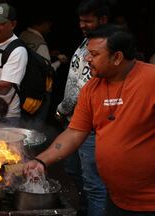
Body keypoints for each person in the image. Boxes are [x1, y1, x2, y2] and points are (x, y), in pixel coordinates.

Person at [24, 24, 155, 215]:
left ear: (117, 57)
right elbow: (75, 132)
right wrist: (41, 161)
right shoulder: (91, 88)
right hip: (117, 199)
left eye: (94, 54)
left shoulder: (151, 80)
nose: (87, 59)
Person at [55, 1, 109, 215]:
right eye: (81, 20)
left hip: (90, 126)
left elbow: (81, 88)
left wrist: (61, 108)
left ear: (102, 20)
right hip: (74, 123)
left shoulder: (103, 48)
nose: (82, 25)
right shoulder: (86, 42)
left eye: (88, 21)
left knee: (93, 184)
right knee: (74, 173)